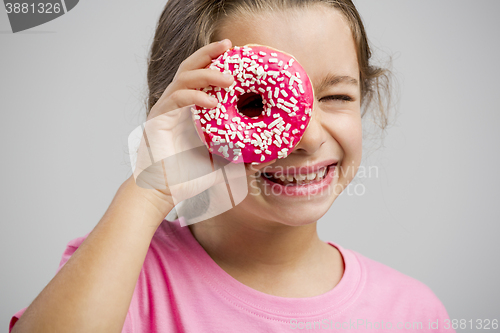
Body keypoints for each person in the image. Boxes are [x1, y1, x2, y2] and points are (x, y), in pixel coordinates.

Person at [9, 0, 455, 332]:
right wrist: (149, 188)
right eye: (254, 101)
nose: (310, 137)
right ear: (183, 113)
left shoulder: (413, 312)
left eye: (336, 97)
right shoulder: (120, 276)